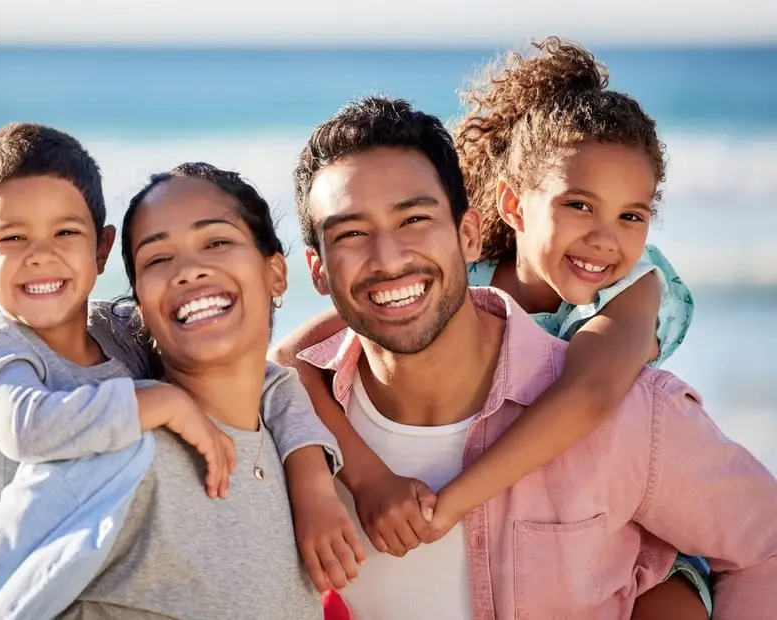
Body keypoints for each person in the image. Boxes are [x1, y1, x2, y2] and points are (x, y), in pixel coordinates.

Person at [271, 92, 777, 619]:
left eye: (415, 220)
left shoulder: (634, 406)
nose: (389, 257)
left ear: (467, 235)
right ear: (318, 270)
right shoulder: (285, 427)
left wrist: (448, 507)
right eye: (352, 233)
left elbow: (765, 545)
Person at [0, 123, 357, 619]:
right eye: (13, 237)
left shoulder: (120, 332)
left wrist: (311, 476)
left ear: (100, 252)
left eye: (65, 232)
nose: (41, 254)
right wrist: (160, 402)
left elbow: (268, 379)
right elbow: (27, 429)